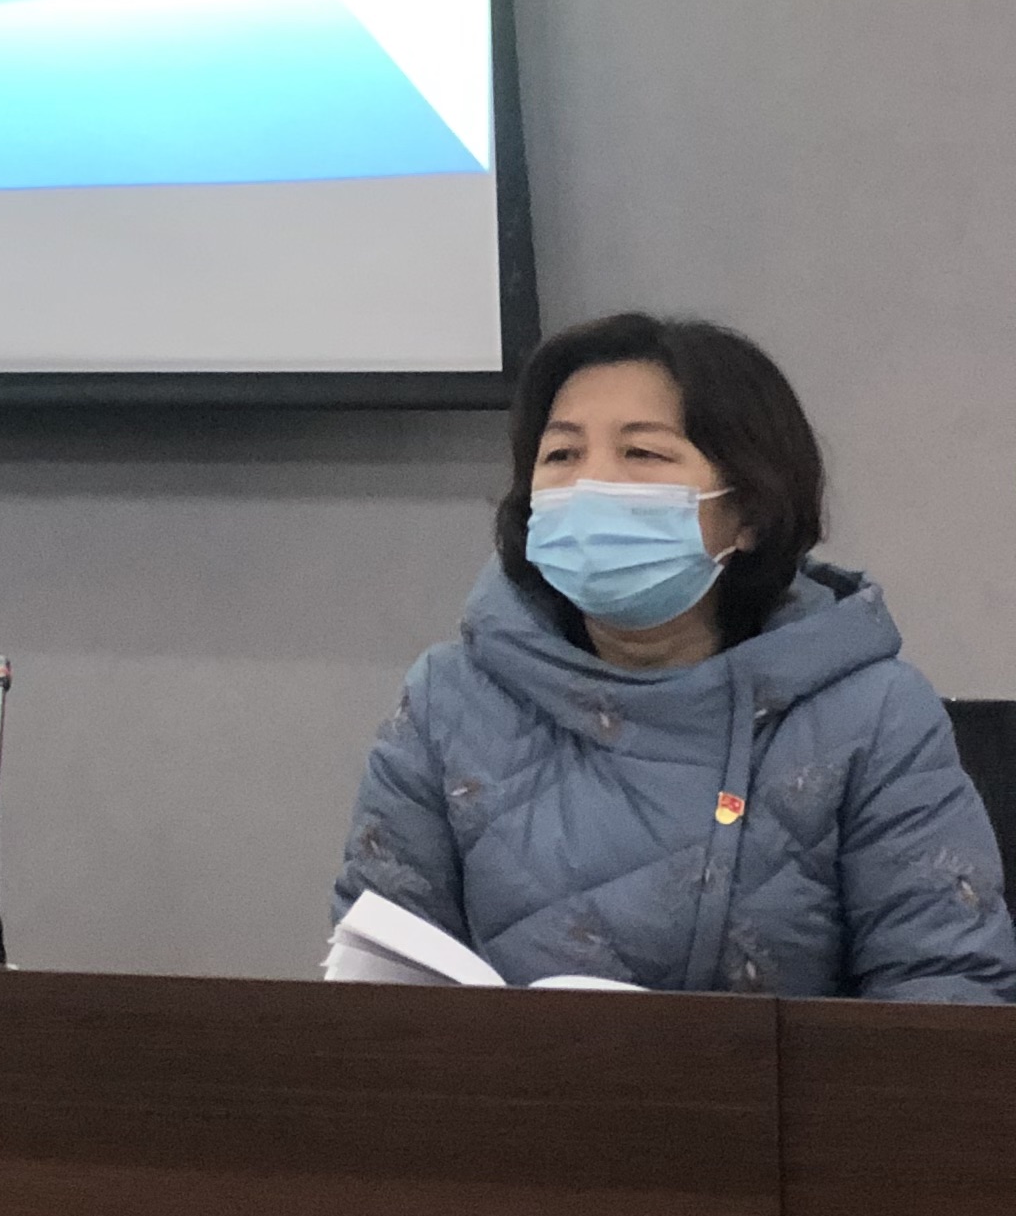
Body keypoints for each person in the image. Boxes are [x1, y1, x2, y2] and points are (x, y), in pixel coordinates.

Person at [335, 310, 1014, 1001]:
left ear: (747, 511)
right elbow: (379, 978)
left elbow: (946, 987)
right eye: (562, 455)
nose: (591, 485)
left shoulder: (871, 713)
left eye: (642, 454)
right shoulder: (448, 700)